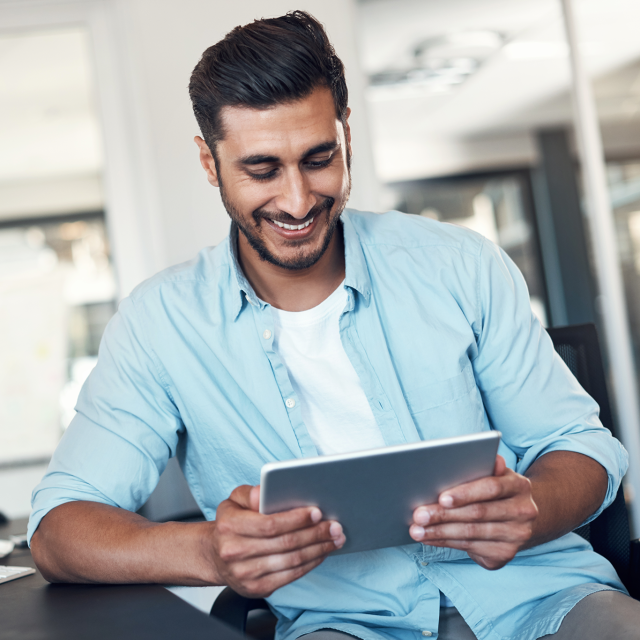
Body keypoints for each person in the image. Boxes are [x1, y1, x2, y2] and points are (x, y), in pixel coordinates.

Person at [28, 11, 640, 640]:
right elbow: (57, 529)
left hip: (543, 597)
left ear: (347, 134)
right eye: (261, 170)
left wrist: (531, 508)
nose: (296, 201)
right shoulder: (160, 323)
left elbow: (584, 448)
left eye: (319, 159)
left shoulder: (459, 264)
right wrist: (210, 551)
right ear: (211, 164)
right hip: (346, 625)